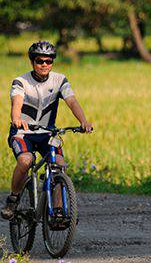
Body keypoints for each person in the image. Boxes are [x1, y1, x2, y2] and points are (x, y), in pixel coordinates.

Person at [2, 41, 93, 220]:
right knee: (26, 160)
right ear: (32, 61)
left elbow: (72, 101)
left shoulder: (59, 80)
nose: (44, 64)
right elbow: (17, 103)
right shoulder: (21, 81)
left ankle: (58, 211)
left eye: (49, 61)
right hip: (23, 133)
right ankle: (13, 199)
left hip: (47, 133)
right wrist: (17, 119)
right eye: (40, 61)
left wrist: (83, 121)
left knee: (58, 163)